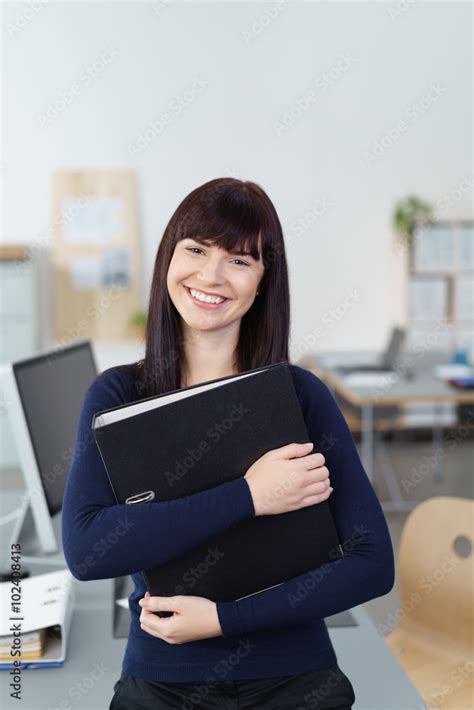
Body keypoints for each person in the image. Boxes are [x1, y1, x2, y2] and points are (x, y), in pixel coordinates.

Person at [62, 177, 395, 709]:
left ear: (263, 281)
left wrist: (224, 619)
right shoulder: (119, 395)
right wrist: (250, 495)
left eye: (240, 260)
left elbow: (373, 563)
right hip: (163, 678)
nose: (210, 275)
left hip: (293, 676)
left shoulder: (301, 397)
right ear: (169, 258)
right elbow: (86, 549)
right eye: (195, 249)